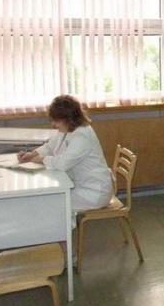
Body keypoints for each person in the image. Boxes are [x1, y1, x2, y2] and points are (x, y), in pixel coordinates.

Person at [17, 95, 113, 228]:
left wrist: (41, 159)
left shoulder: (82, 135)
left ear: (67, 119)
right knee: (50, 200)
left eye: (56, 121)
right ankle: (56, 234)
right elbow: (51, 145)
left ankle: (61, 238)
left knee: (54, 203)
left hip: (93, 191)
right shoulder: (68, 129)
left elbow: (62, 164)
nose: (54, 124)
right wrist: (32, 154)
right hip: (79, 185)